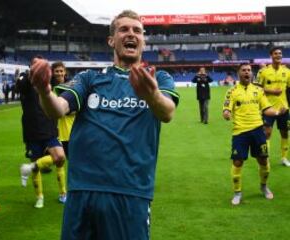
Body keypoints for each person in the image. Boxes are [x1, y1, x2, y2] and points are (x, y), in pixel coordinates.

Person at [31, 10, 179, 240]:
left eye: (137, 31)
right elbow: (57, 108)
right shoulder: (90, 78)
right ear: (111, 40)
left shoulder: (158, 79)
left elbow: (167, 112)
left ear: (143, 41)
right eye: (124, 29)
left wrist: (151, 96)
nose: (131, 34)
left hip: (130, 191)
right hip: (82, 189)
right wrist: (43, 90)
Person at [223, 63, 286, 205]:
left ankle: (264, 186)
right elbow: (227, 109)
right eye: (244, 70)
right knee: (238, 161)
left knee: (263, 160)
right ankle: (237, 192)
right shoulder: (232, 91)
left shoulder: (259, 90)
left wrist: (277, 112)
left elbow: (266, 109)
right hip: (240, 132)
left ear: (251, 73)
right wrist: (227, 113)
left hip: (258, 130)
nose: (247, 72)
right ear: (238, 73)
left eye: (249, 70)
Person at [17, 59, 67, 208]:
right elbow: (20, 85)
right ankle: (39, 197)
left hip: (50, 129)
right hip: (32, 130)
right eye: (35, 64)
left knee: (60, 158)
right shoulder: (26, 83)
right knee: (37, 164)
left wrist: (55, 74)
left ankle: (63, 192)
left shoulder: (49, 82)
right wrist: (32, 74)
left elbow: (58, 81)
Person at [256, 46, 290, 167]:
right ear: (271, 55)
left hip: (284, 108)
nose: (278, 55)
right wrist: (271, 91)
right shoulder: (263, 71)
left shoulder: (287, 71)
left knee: (285, 133)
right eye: (276, 53)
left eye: (280, 53)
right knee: (267, 133)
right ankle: (267, 158)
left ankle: (284, 158)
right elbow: (257, 88)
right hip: (268, 108)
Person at [51, 61, 75, 157]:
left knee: (71, 158)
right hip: (54, 129)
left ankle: (35, 166)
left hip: (69, 128)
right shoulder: (50, 87)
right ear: (52, 72)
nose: (59, 73)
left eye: (61, 71)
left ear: (65, 72)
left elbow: (75, 107)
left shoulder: (71, 86)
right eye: (57, 71)